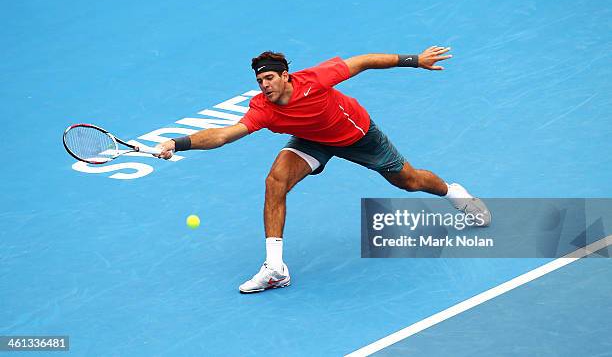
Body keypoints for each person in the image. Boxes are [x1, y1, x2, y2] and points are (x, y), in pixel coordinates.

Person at [156, 47, 491, 293]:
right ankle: (275, 268)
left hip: (358, 136)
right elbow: (225, 134)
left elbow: (362, 62)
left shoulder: (316, 79)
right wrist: (178, 142)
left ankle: (455, 194)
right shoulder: (263, 108)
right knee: (275, 182)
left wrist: (415, 61)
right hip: (312, 140)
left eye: (269, 77)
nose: (264, 85)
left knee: (410, 180)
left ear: (285, 75)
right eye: (260, 80)